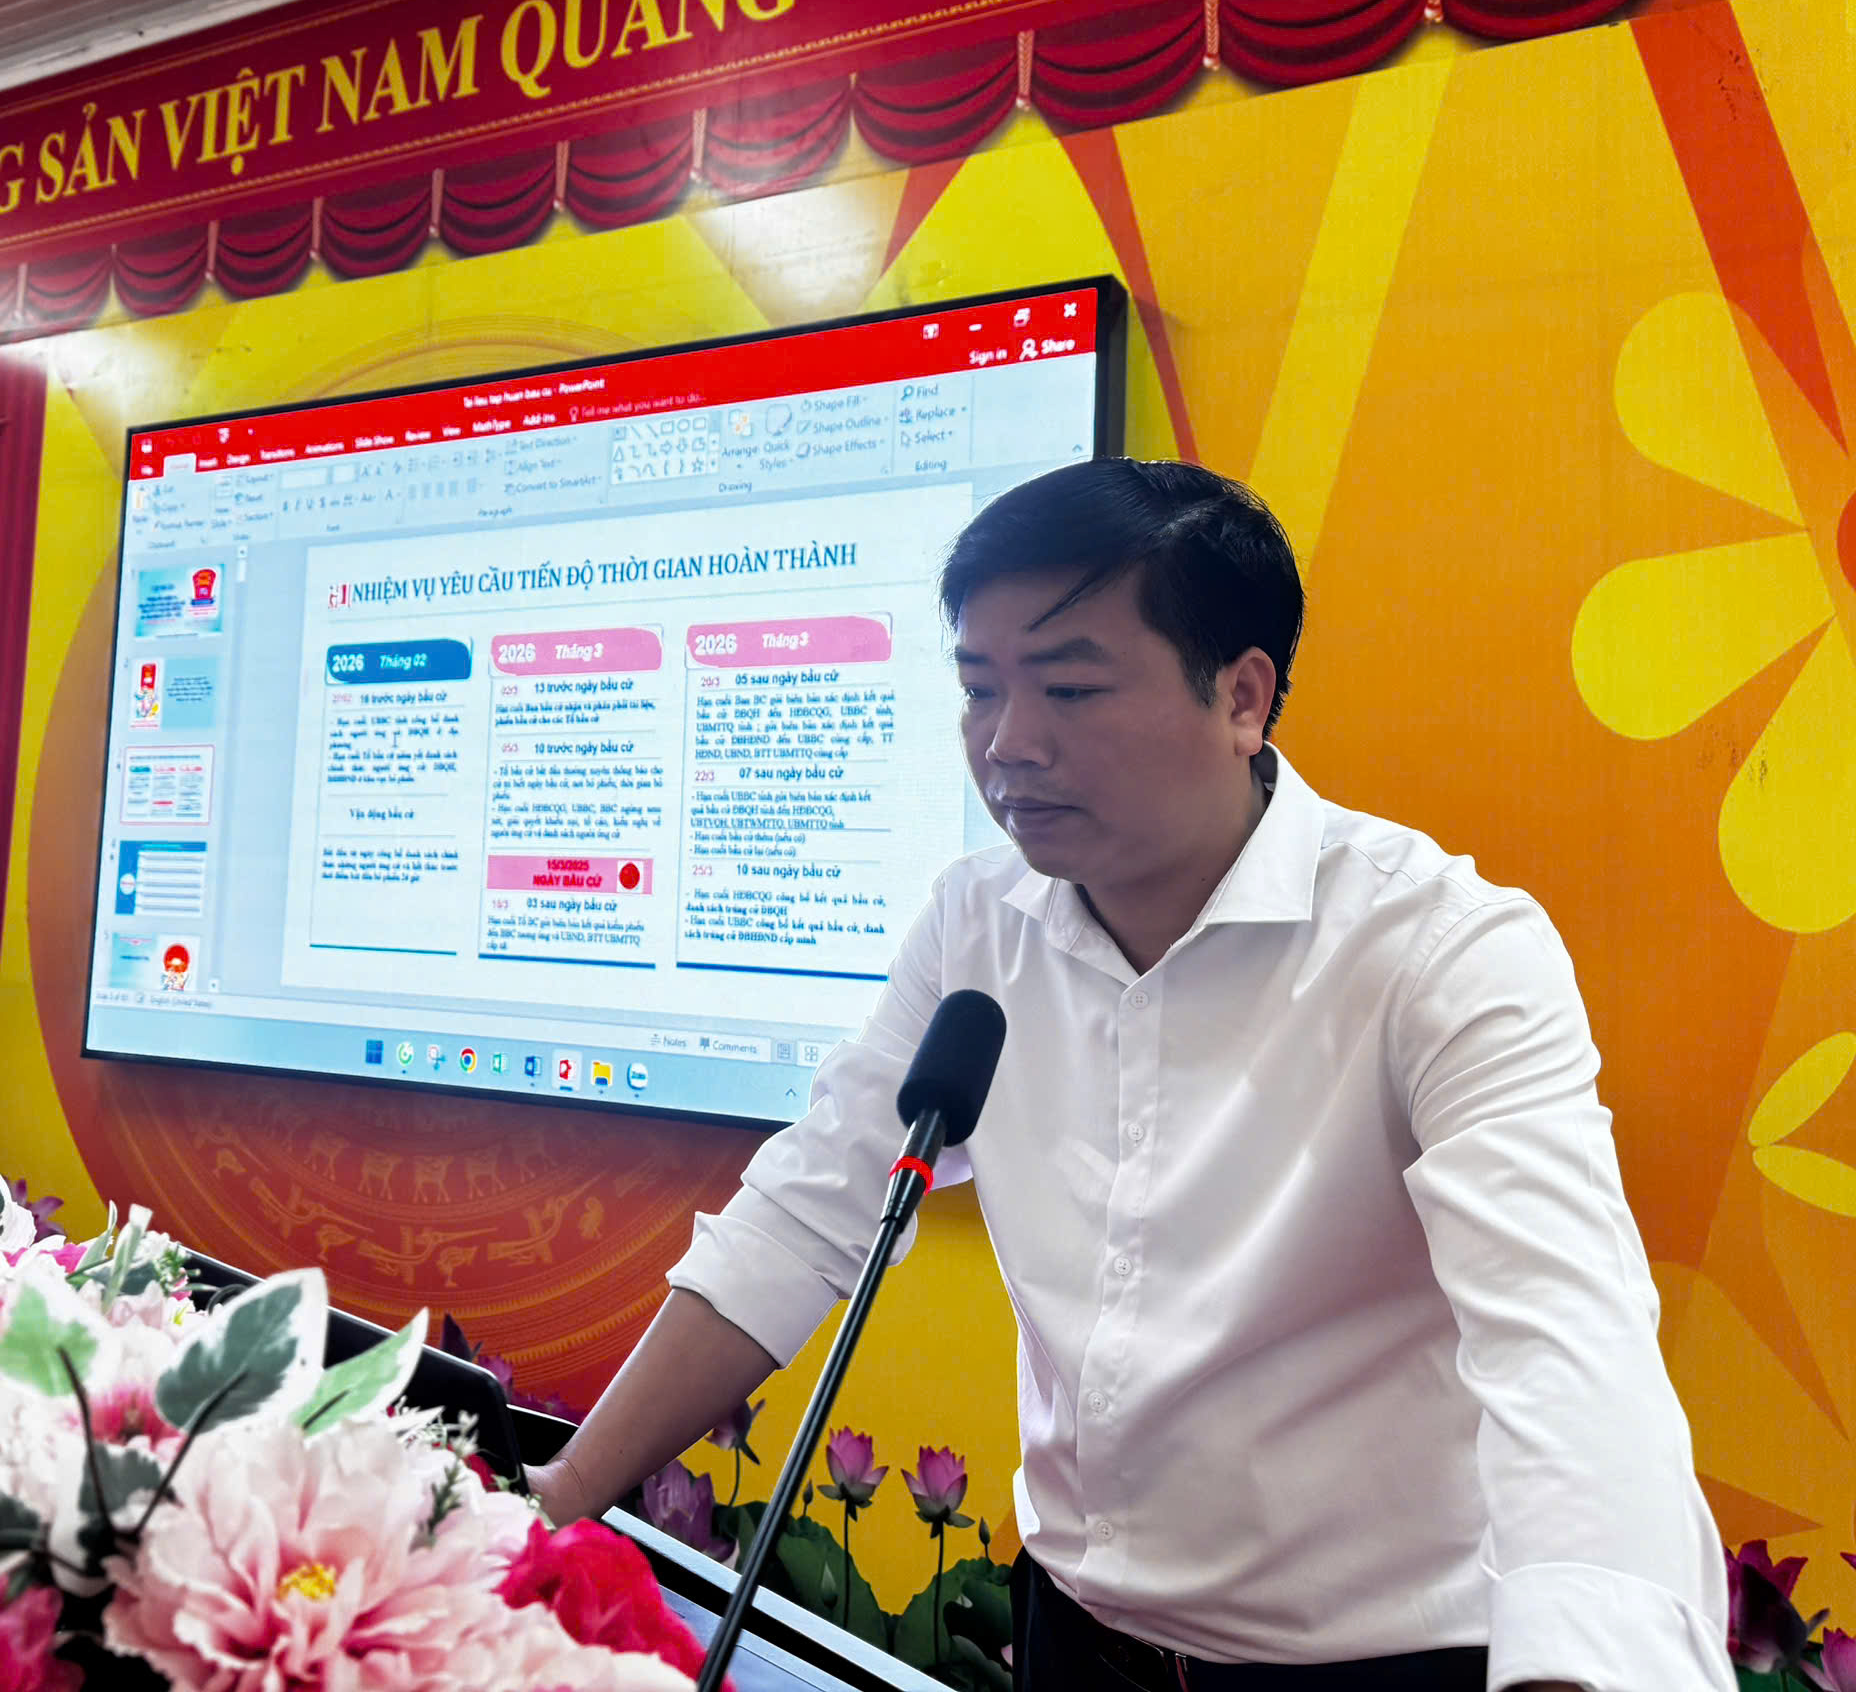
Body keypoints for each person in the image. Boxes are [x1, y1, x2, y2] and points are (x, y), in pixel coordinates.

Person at [529, 460, 1729, 1692]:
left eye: (1070, 688)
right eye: (979, 689)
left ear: (1242, 697)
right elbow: (803, 1216)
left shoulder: (1439, 950)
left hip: (1372, 1661)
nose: (1008, 744)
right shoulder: (975, 924)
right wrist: (548, 1507)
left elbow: (1564, 1344)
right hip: (1077, 1638)